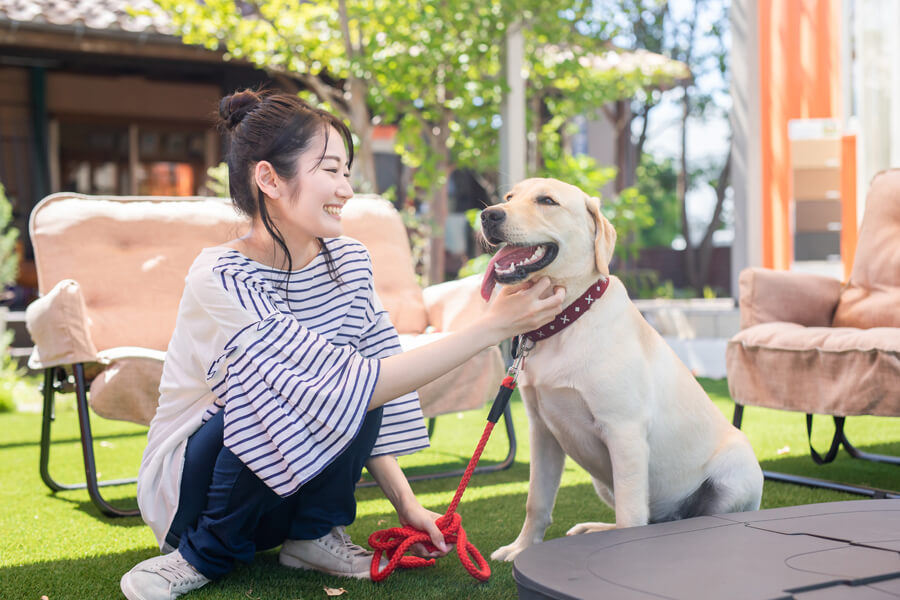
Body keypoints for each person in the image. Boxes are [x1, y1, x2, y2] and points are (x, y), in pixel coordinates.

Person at [120, 89, 564, 600]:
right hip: (197, 496)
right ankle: (200, 555)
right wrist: (491, 327)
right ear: (268, 178)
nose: (346, 189)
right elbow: (328, 386)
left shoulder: (349, 260)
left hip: (281, 497)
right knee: (289, 383)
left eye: (346, 171)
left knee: (358, 374)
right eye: (330, 170)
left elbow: (375, 385)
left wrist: (408, 506)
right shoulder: (220, 275)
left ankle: (312, 534)